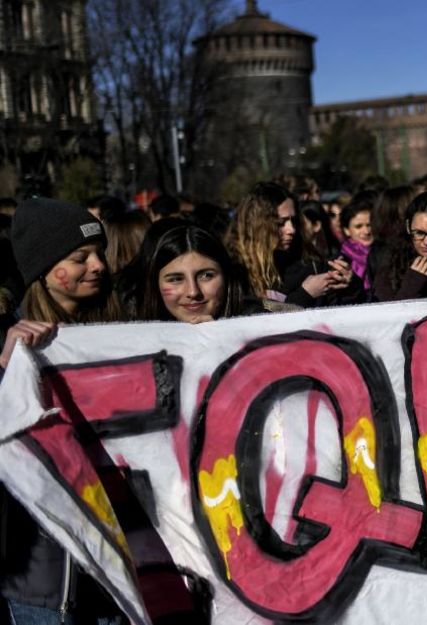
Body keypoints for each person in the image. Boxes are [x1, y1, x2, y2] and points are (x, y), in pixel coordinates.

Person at [1, 198, 125, 625]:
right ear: (43, 270)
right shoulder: (7, 345)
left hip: (116, 578)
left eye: (99, 254)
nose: (98, 266)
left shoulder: (123, 334)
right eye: (79, 258)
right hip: (44, 585)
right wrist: (5, 371)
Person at [226, 182, 354, 310]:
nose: (291, 229)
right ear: (257, 225)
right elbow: (252, 320)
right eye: (280, 223)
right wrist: (305, 295)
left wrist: (351, 286)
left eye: (293, 220)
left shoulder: (309, 264)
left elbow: (342, 312)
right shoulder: (235, 273)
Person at [136, 224, 252, 322]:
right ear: (156, 283)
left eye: (206, 276)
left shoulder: (259, 319)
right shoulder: (133, 335)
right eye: (176, 279)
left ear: (225, 275)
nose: (193, 292)